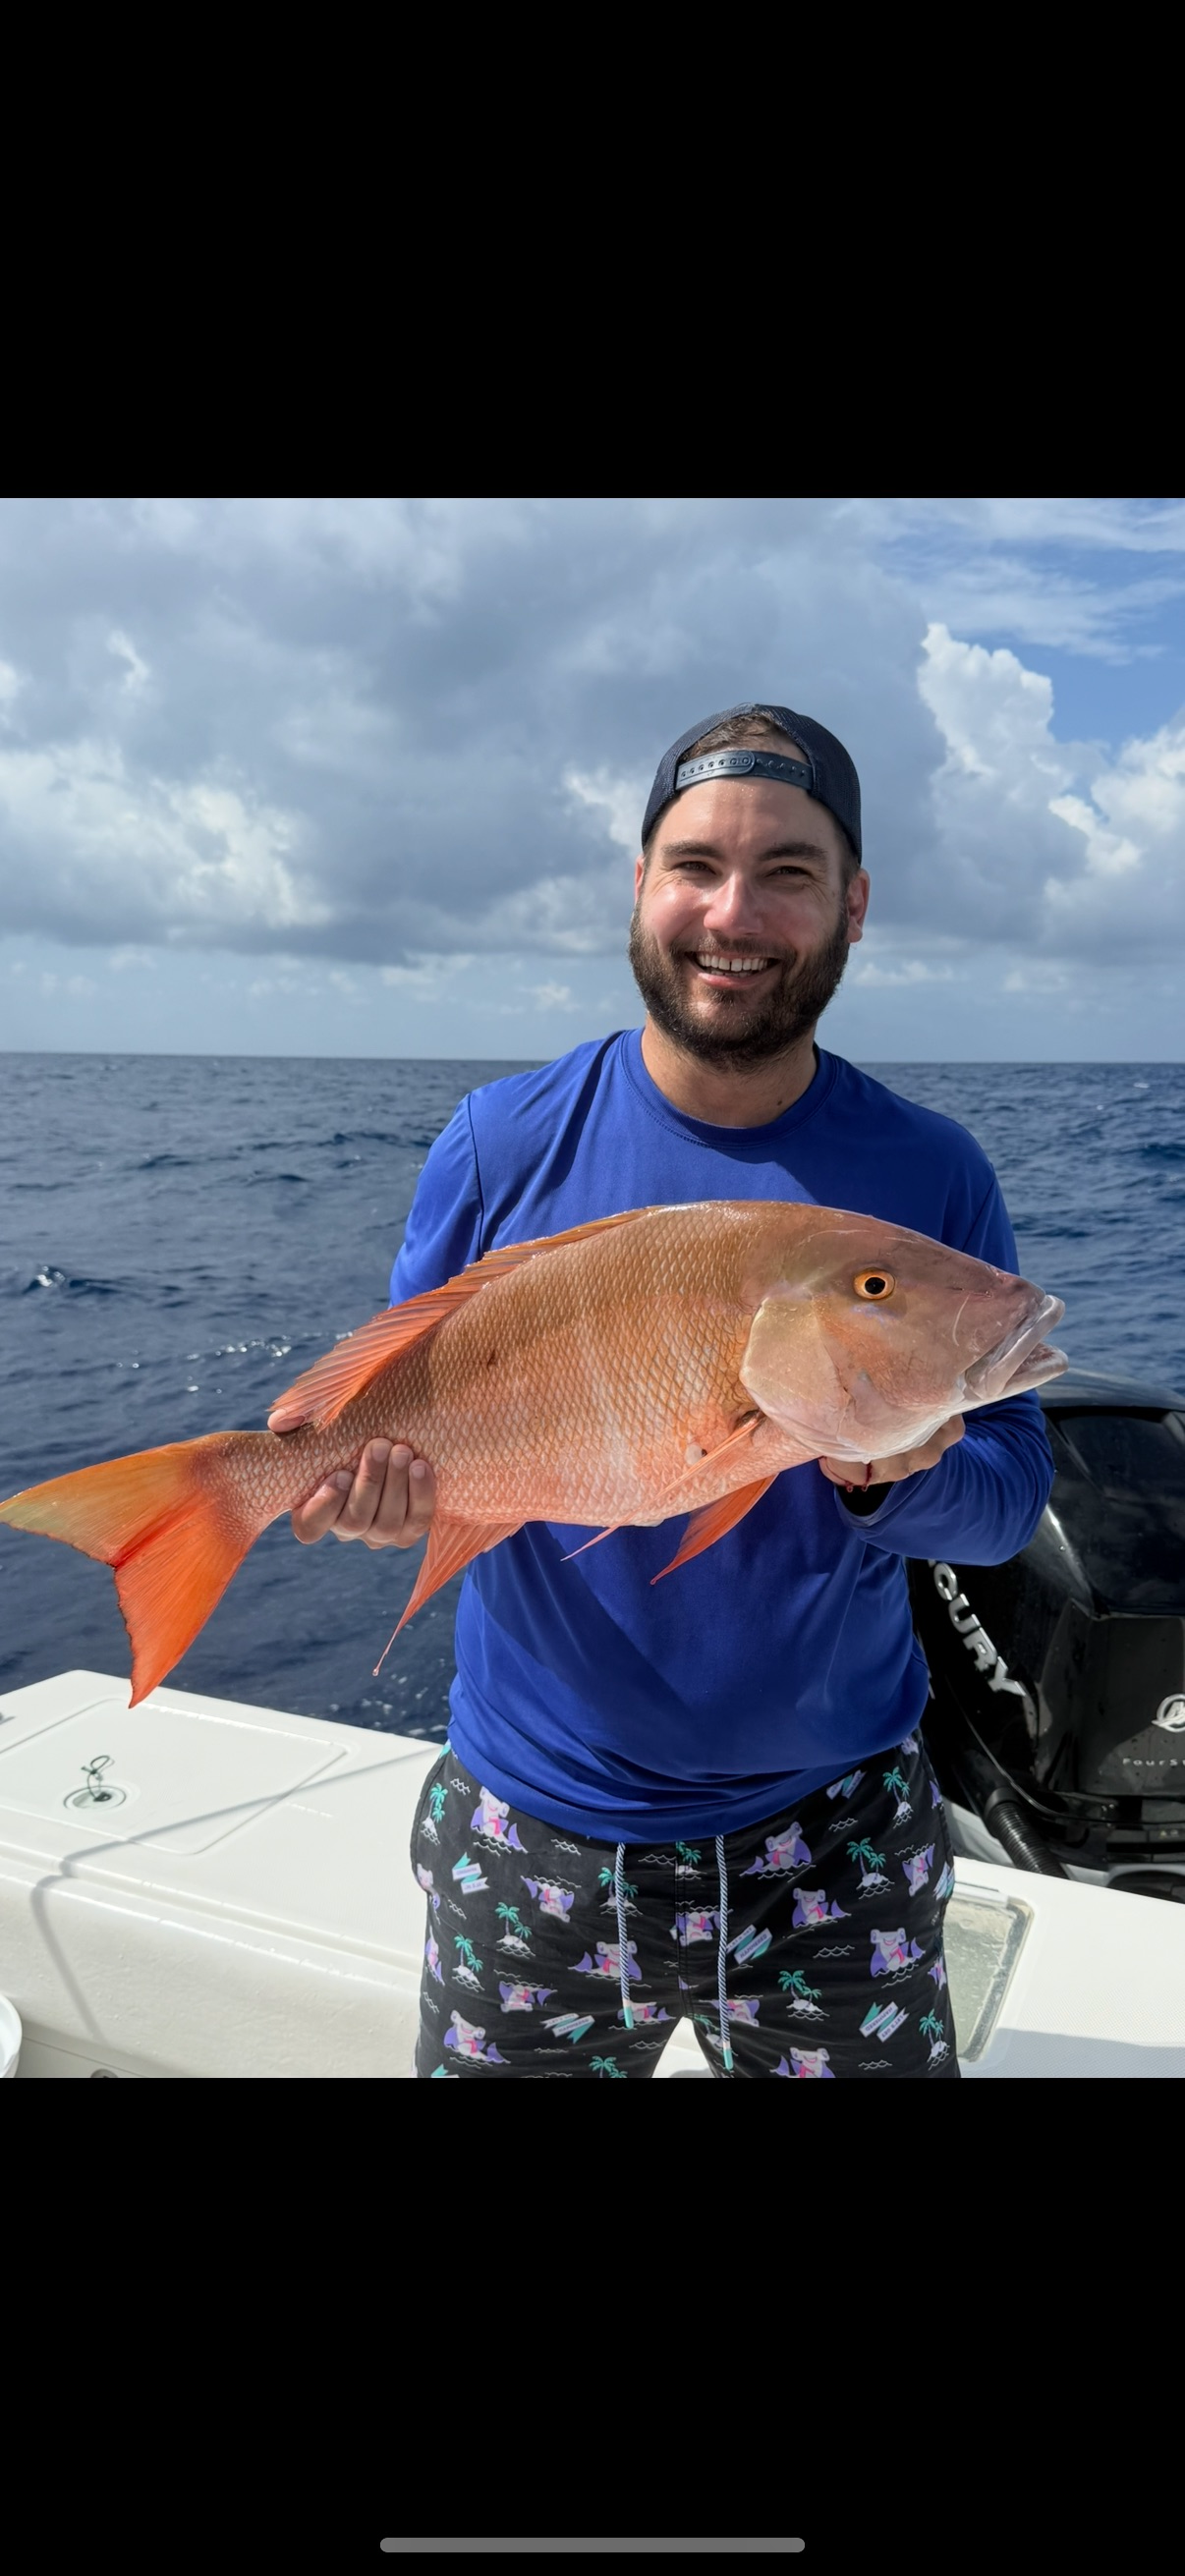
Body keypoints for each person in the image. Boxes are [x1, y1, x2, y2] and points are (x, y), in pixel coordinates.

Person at [273, 703, 1054, 2078]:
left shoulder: (931, 1177)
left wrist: (899, 1467)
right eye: (695, 864)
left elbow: (1003, 1511)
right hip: (536, 1828)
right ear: (640, 885)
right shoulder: (498, 1141)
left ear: (853, 904)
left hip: (837, 1833)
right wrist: (378, 1500)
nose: (732, 912)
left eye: (789, 872)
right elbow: (412, 1403)